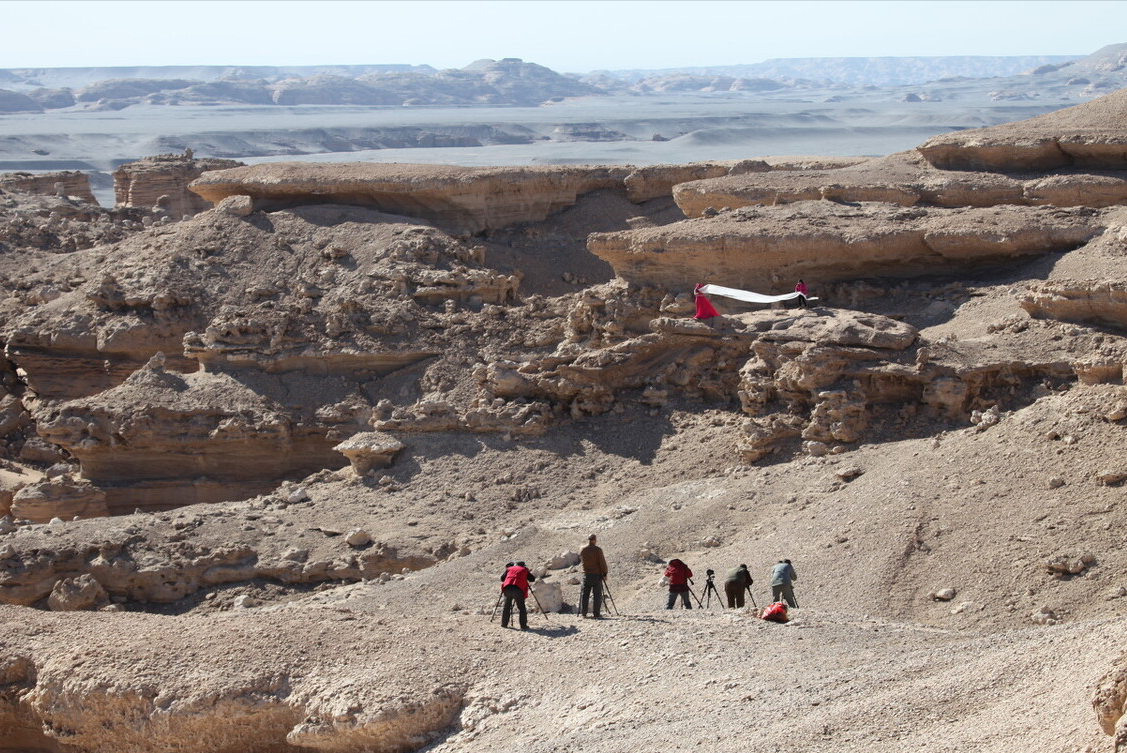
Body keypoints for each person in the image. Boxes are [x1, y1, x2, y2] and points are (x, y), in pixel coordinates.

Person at [500, 561, 535, 630]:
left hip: (507, 588)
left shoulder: (509, 569)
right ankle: (523, 626)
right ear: (523, 566)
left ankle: (504, 624)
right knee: (521, 607)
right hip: (518, 589)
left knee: (506, 606)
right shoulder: (524, 570)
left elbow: (502, 579)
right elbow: (532, 579)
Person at [579, 534, 608, 619]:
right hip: (596, 575)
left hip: (586, 574)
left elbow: (580, 558)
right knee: (597, 595)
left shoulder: (582, 549)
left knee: (585, 595)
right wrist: (605, 573)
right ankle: (596, 614)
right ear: (594, 540)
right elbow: (602, 563)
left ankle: (584, 613)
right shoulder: (598, 550)